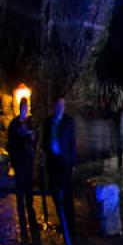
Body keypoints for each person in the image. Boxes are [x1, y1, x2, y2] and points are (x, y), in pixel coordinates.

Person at [43, 96, 78, 236]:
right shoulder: (48, 122)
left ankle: (71, 228)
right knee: (55, 195)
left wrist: (73, 163)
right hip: (52, 162)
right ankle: (62, 223)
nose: (60, 108)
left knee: (67, 196)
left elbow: (72, 143)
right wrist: (48, 147)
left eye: (62, 106)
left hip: (65, 163)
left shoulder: (69, 122)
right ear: (54, 106)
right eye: (58, 105)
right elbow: (44, 142)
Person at [7, 98, 38, 238]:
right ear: (20, 108)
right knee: (20, 192)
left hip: (29, 162)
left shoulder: (31, 123)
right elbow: (10, 143)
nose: (24, 109)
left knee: (29, 192)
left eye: (26, 107)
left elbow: (35, 139)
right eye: (22, 107)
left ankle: (32, 220)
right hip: (19, 163)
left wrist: (32, 138)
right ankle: (21, 218)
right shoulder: (14, 124)